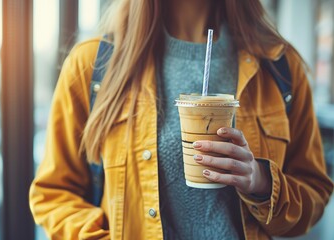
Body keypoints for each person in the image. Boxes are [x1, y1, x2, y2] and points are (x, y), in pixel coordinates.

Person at [29, 0, 334, 239]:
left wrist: (259, 181)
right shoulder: (93, 65)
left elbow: (314, 193)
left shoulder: (281, 66)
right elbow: (53, 194)